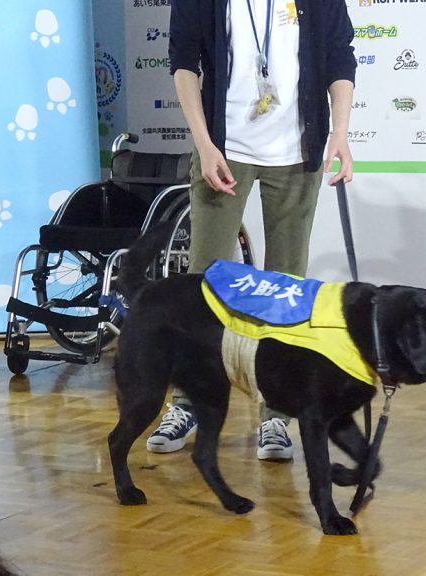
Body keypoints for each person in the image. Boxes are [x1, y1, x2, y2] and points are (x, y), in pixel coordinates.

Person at [145, 0, 356, 459]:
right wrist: (203, 144)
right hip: (224, 149)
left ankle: (276, 415)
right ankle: (186, 403)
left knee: (286, 289)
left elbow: (341, 57)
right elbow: (183, 64)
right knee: (204, 285)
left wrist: (339, 132)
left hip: (297, 152)